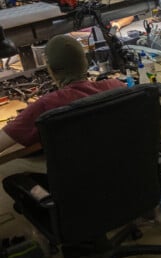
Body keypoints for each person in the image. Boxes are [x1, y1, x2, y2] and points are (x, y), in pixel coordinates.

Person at [0, 35, 124, 215]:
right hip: (121, 176)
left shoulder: (45, 106)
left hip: (76, 191)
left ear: (50, 69)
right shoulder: (117, 87)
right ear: (86, 62)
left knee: (9, 175)